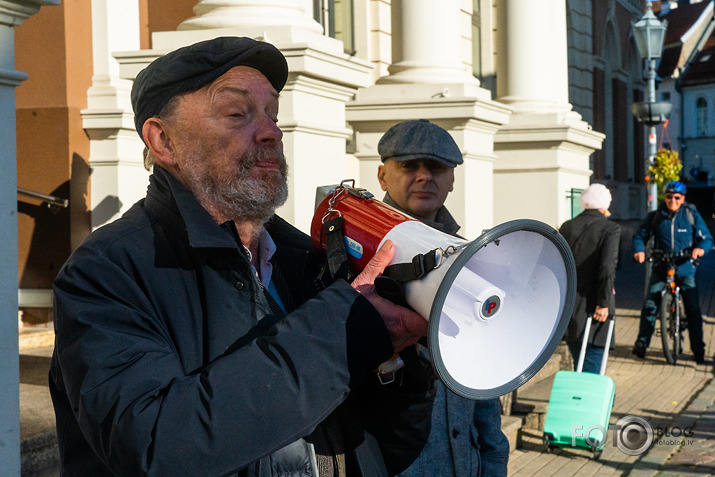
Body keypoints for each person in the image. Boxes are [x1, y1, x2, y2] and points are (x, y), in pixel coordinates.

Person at [49, 36, 436, 476]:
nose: (272, 131)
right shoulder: (105, 271)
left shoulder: (307, 259)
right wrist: (342, 332)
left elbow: (384, 448)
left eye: (273, 113)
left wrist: (401, 366)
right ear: (163, 141)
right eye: (237, 114)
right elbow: (156, 446)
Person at [376, 119, 510, 477]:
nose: (424, 176)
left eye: (435, 167)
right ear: (382, 176)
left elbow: (482, 373)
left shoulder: (471, 257)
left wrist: (493, 460)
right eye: (408, 166)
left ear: (452, 179)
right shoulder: (355, 257)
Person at [632, 180, 713, 364]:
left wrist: (700, 249)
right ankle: (641, 344)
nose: (672, 200)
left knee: (693, 308)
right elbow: (640, 236)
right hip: (661, 266)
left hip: (685, 267)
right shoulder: (655, 216)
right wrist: (639, 251)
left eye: (677, 197)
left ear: (683, 198)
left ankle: (698, 350)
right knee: (650, 305)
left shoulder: (690, 214)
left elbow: (706, 239)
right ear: (665, 197)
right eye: (669, 196)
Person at [558, 183, 620, 374]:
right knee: (593, 361)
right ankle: (590, 402)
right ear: (605, 205)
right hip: (594, 304)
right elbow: (607, 267)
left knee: (579, 360)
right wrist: (603, 303)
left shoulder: (567, 226)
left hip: (570, 304)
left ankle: (580, 399)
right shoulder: (610, 229)